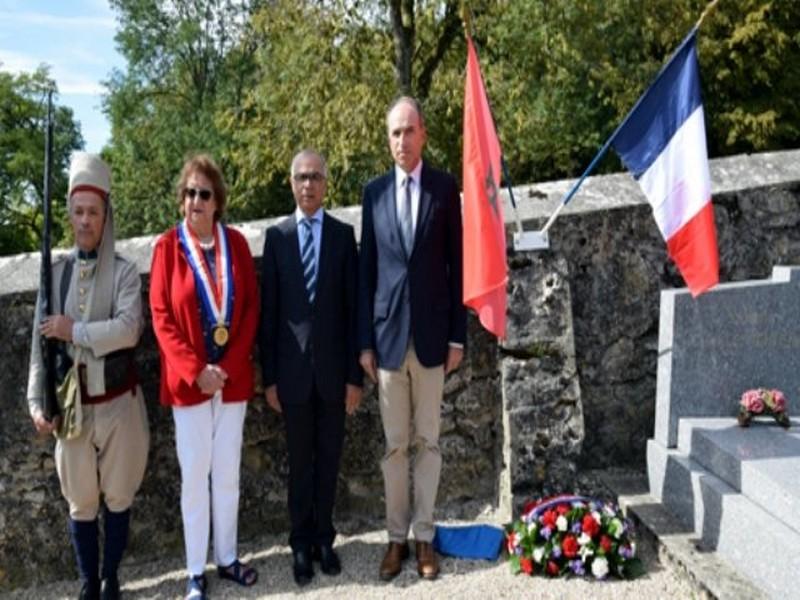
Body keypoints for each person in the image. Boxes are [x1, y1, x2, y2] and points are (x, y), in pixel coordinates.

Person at [27, 152, 150, 600]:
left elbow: (128, 329)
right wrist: (37, 404)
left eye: (92, 212)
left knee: (118, 496)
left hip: (118, 403)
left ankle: (110, 576)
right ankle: (87, 581)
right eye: (78, 212)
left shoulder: (123, 273)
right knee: (81, 500)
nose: (84, 221)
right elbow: (40, 349)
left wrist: (73, 330)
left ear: (105, 216)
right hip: (73, 408)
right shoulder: (56, 275)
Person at [358, 96, 467, 581]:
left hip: (430, 338)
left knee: (429, 441)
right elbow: (367, 273)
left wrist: (458, 337)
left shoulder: (444, 189)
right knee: (394, 445)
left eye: (408, 131)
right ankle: (395, 539)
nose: (401, 141)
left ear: (423, 133)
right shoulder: (373, 193)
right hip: (386, 342)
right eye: (394, 134)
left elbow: (457, 265)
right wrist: (364, 341)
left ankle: (425, 537)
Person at [149, 155, 259, 600]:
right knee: (195, 474)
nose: (196, 200)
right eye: (190, 192)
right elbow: (161, 318)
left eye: (204, 193)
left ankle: (228, 557)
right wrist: (196, 371)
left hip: (231, 382)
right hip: (188, 385)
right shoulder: (166, 249)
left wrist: (227, 367)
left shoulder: (236, 243)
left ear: (218, 202)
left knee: (228, 471)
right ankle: (196, 568)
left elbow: (250, 308)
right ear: (182, 200)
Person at [259, 150, 362, 586]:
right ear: (291, 182)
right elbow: (269, 315)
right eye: (301, 177)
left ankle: (325, 539)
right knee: (300, 464)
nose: (308, 185)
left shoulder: (342, 236)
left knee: (329, 460)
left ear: (326, 182)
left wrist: (356, 377)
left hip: (336, 375)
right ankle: (300, 543)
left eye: (316, 177)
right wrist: (270, 379)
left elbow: (355, 310)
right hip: (293, 377)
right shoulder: (278, 237)